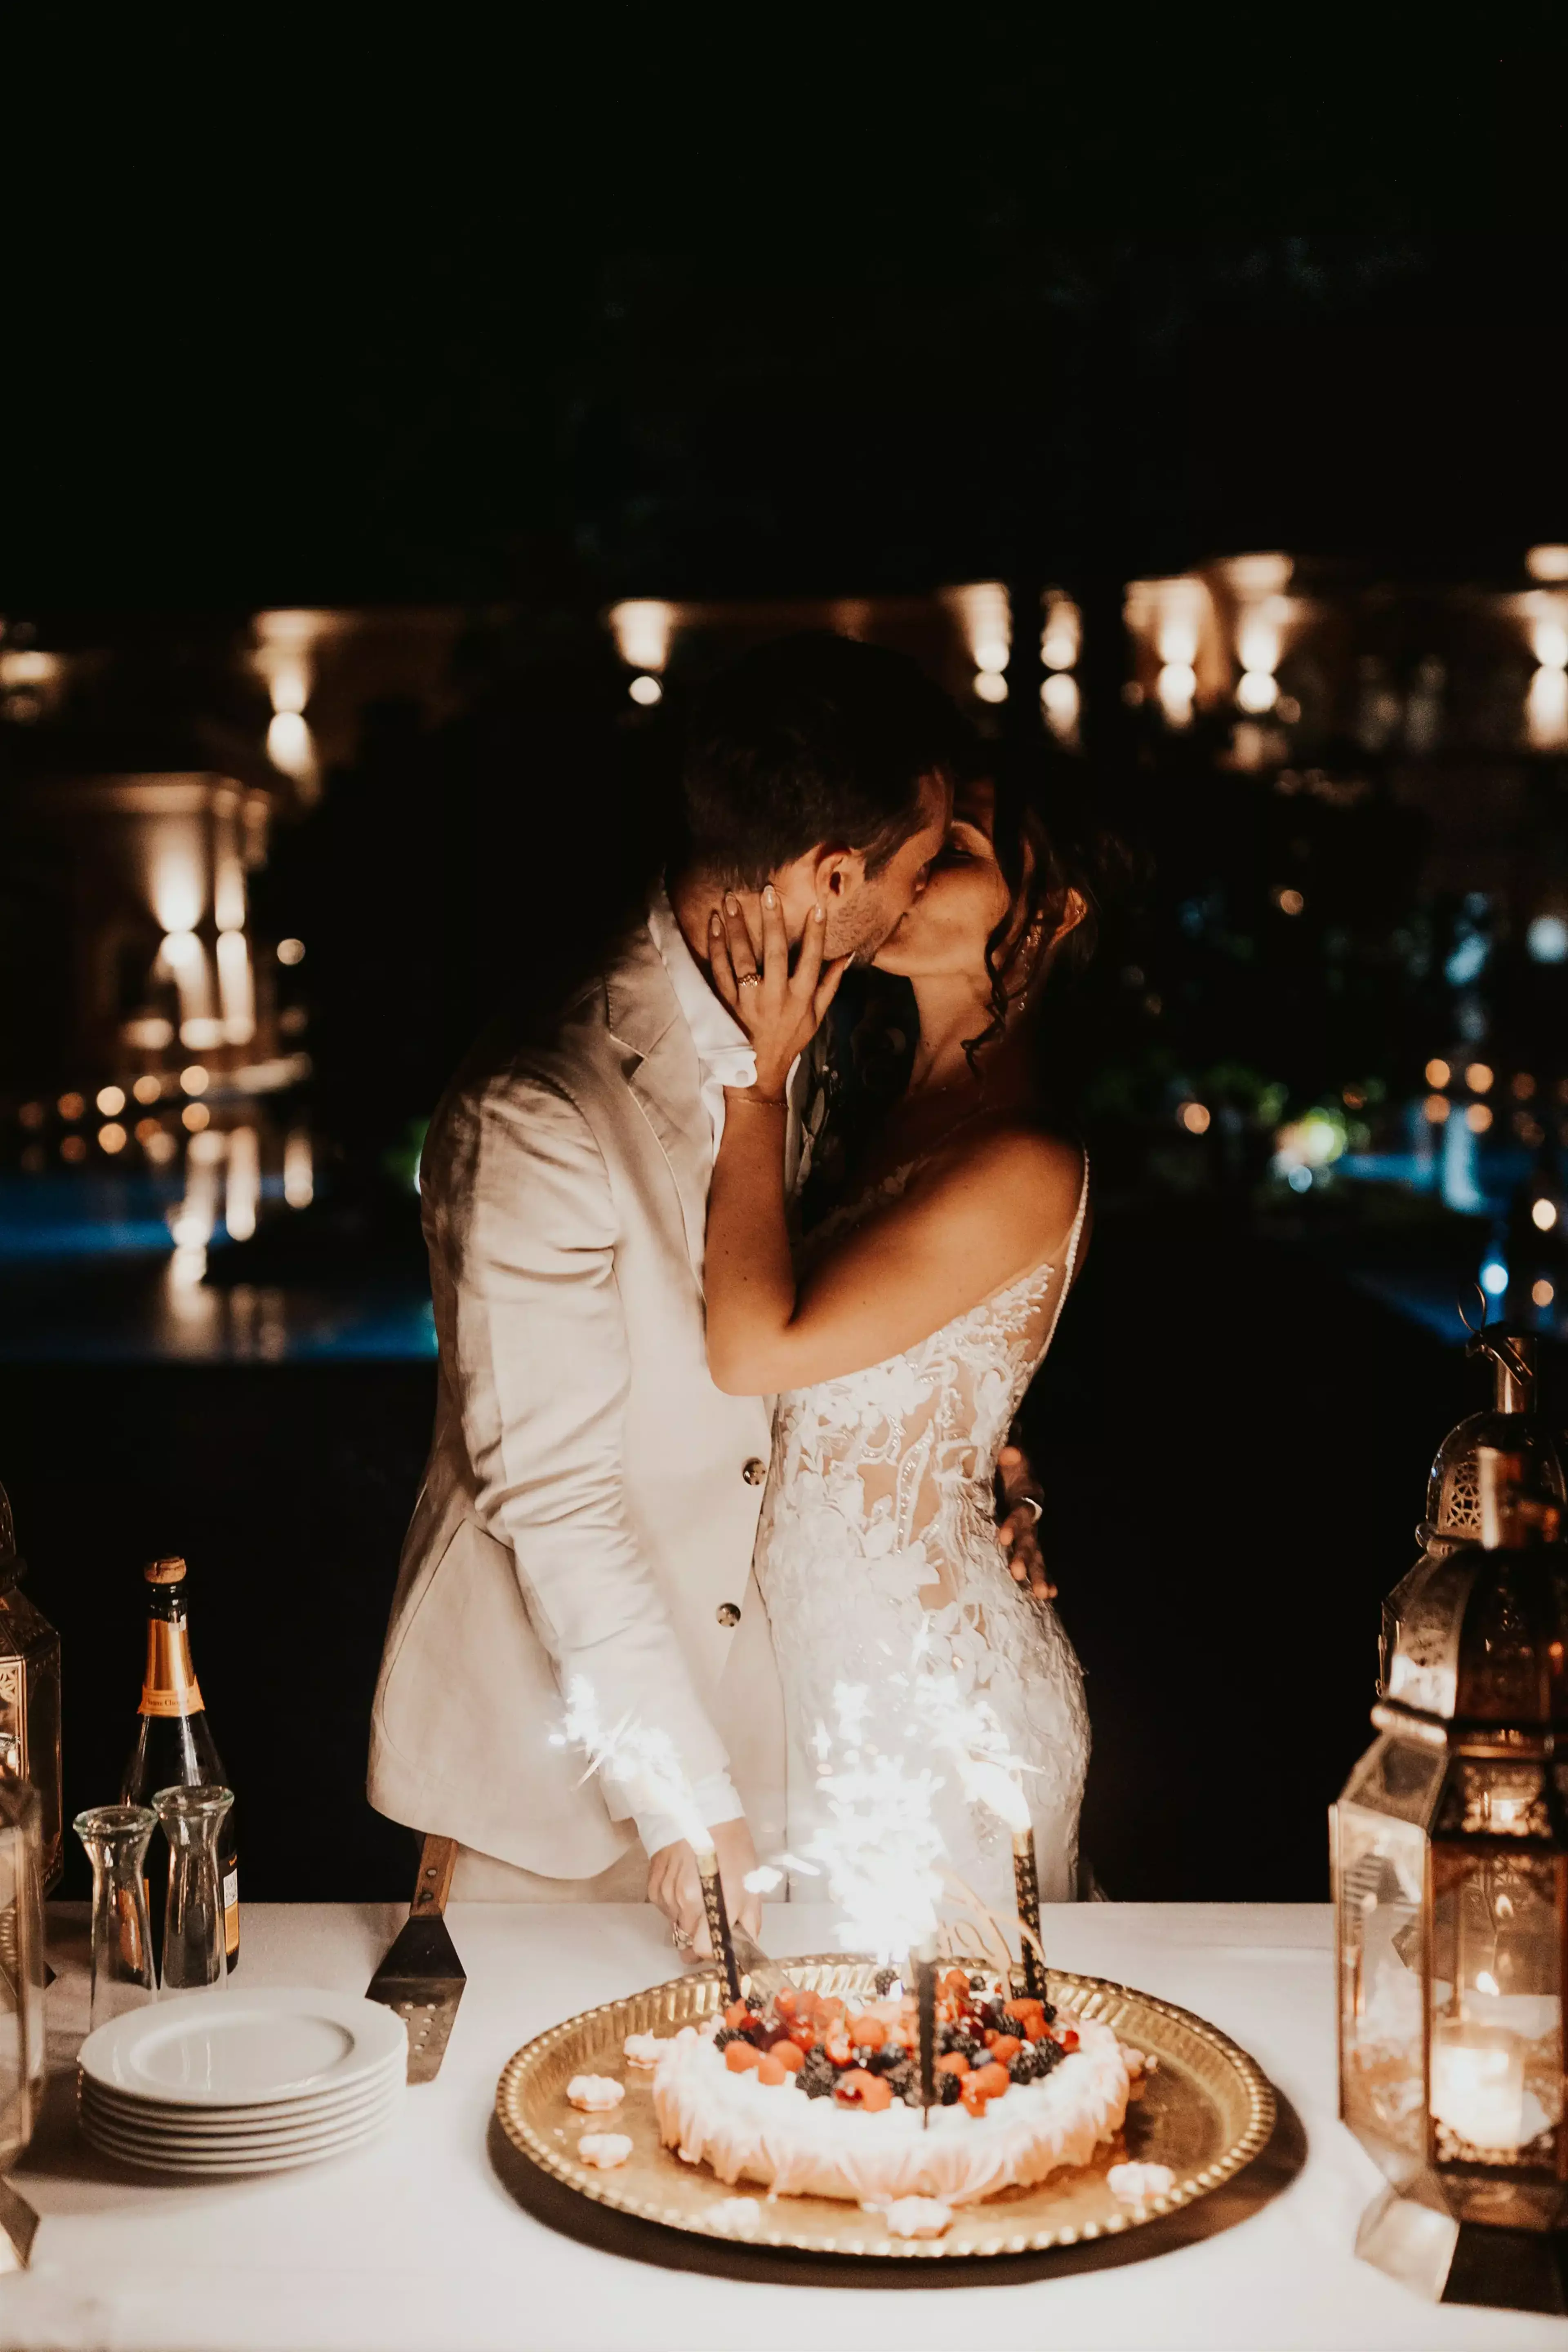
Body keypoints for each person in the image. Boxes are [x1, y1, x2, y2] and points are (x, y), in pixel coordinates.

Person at [367, 633, 1050, 1950]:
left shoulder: (822, 1034)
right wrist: (689, 1802)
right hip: (554, 1786)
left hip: (786, 1743)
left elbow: (838, 1337)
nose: (917, 900)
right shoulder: (540, 1108)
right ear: (832, 875)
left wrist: (973, 1473)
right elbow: (554, 1500)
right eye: (915, 866)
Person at [702, 751, 1106, 1909]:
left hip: (930, 1696)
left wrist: (753, 1083)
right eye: (910, 849)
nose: (906, 875)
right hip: (811, 1666)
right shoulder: (881, 1110)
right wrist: (1007, 1479)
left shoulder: (1024, 1157)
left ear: (1056, 911)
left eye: (954, 856)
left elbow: (754, 1349)